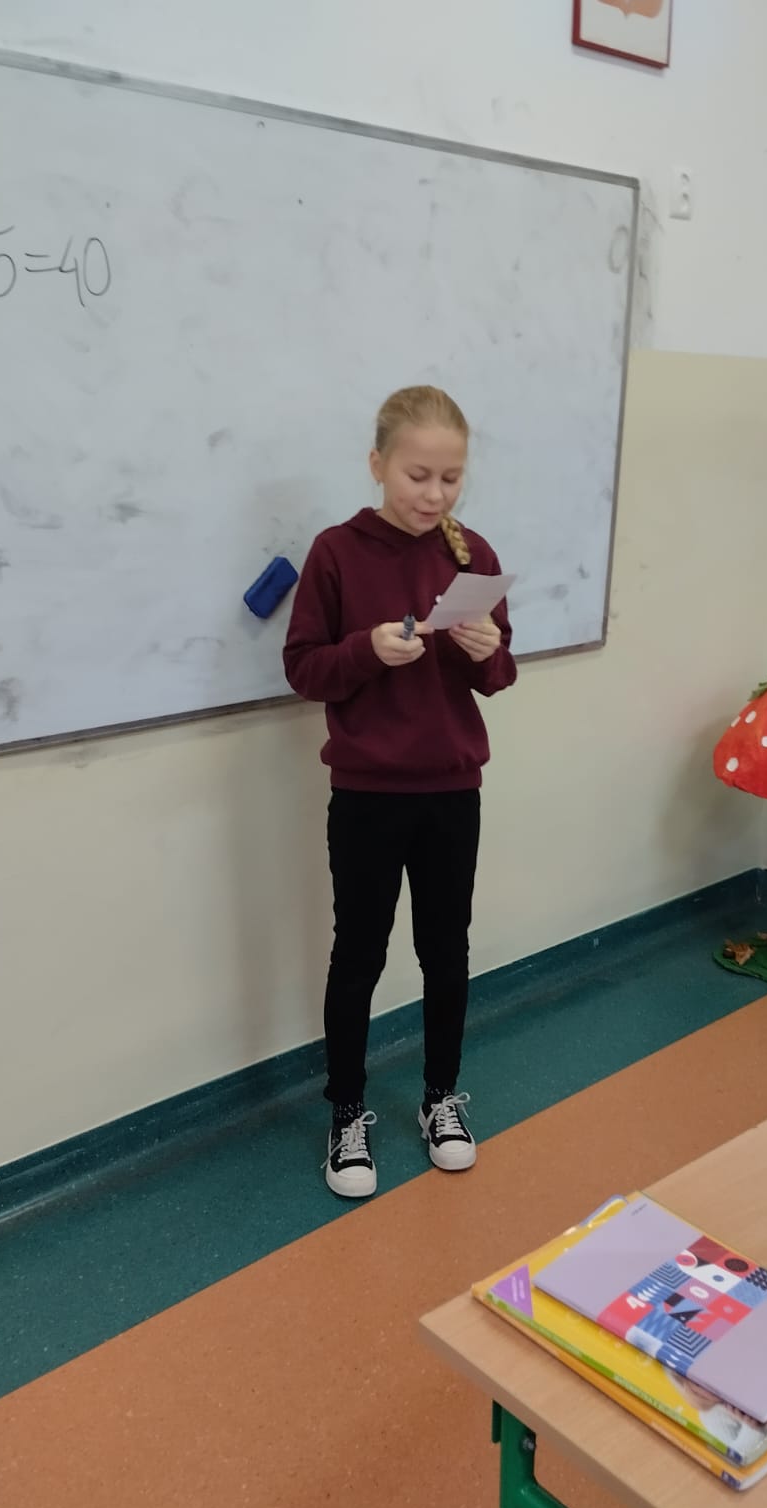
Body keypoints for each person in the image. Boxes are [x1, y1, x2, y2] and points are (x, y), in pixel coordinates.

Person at [283, 386, 516, 1198]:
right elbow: (304, 668)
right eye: (419, 475)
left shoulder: (472, 553)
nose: (435, 494)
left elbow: (499, 674)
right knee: (359, 955)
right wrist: (366, 651)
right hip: (368, 793)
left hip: (452, 790)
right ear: (378, 464)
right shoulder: (336, 552)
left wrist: (486, 650)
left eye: (452, 478)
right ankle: (347, 1112)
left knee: (445, 951)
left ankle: (440, 1097)